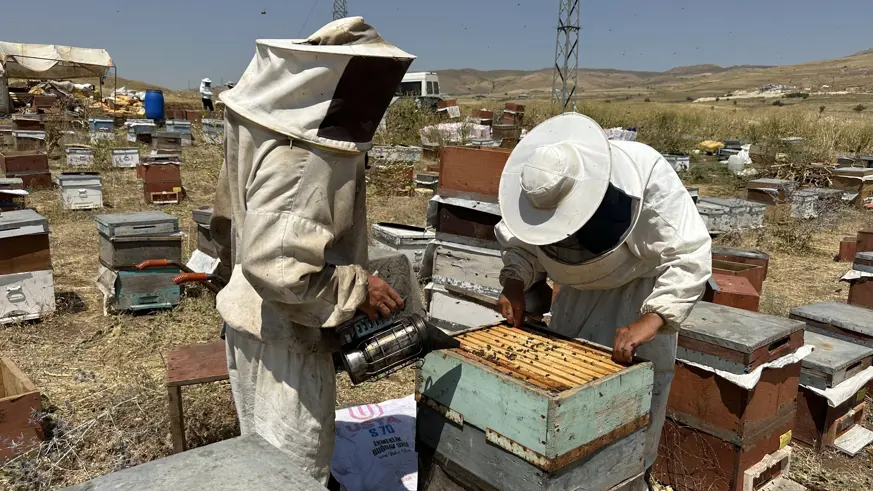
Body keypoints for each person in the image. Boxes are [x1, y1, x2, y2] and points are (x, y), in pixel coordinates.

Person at [209, 17, 415, 484]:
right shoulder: (306, 155)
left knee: (261, 463)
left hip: (253, 319)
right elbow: (277, 266)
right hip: (287, 334)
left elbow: (225, 221)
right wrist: (356, 287)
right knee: (294, 470)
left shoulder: (262, 124)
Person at [495, 112, 711, 489]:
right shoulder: (535, 188)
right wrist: (515, 281)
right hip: (576, 299)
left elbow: (689, 254)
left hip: (637, 297)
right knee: (563, 408)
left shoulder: (645, 174)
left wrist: (655, 317)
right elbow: (523, 243)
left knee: (630, 423)